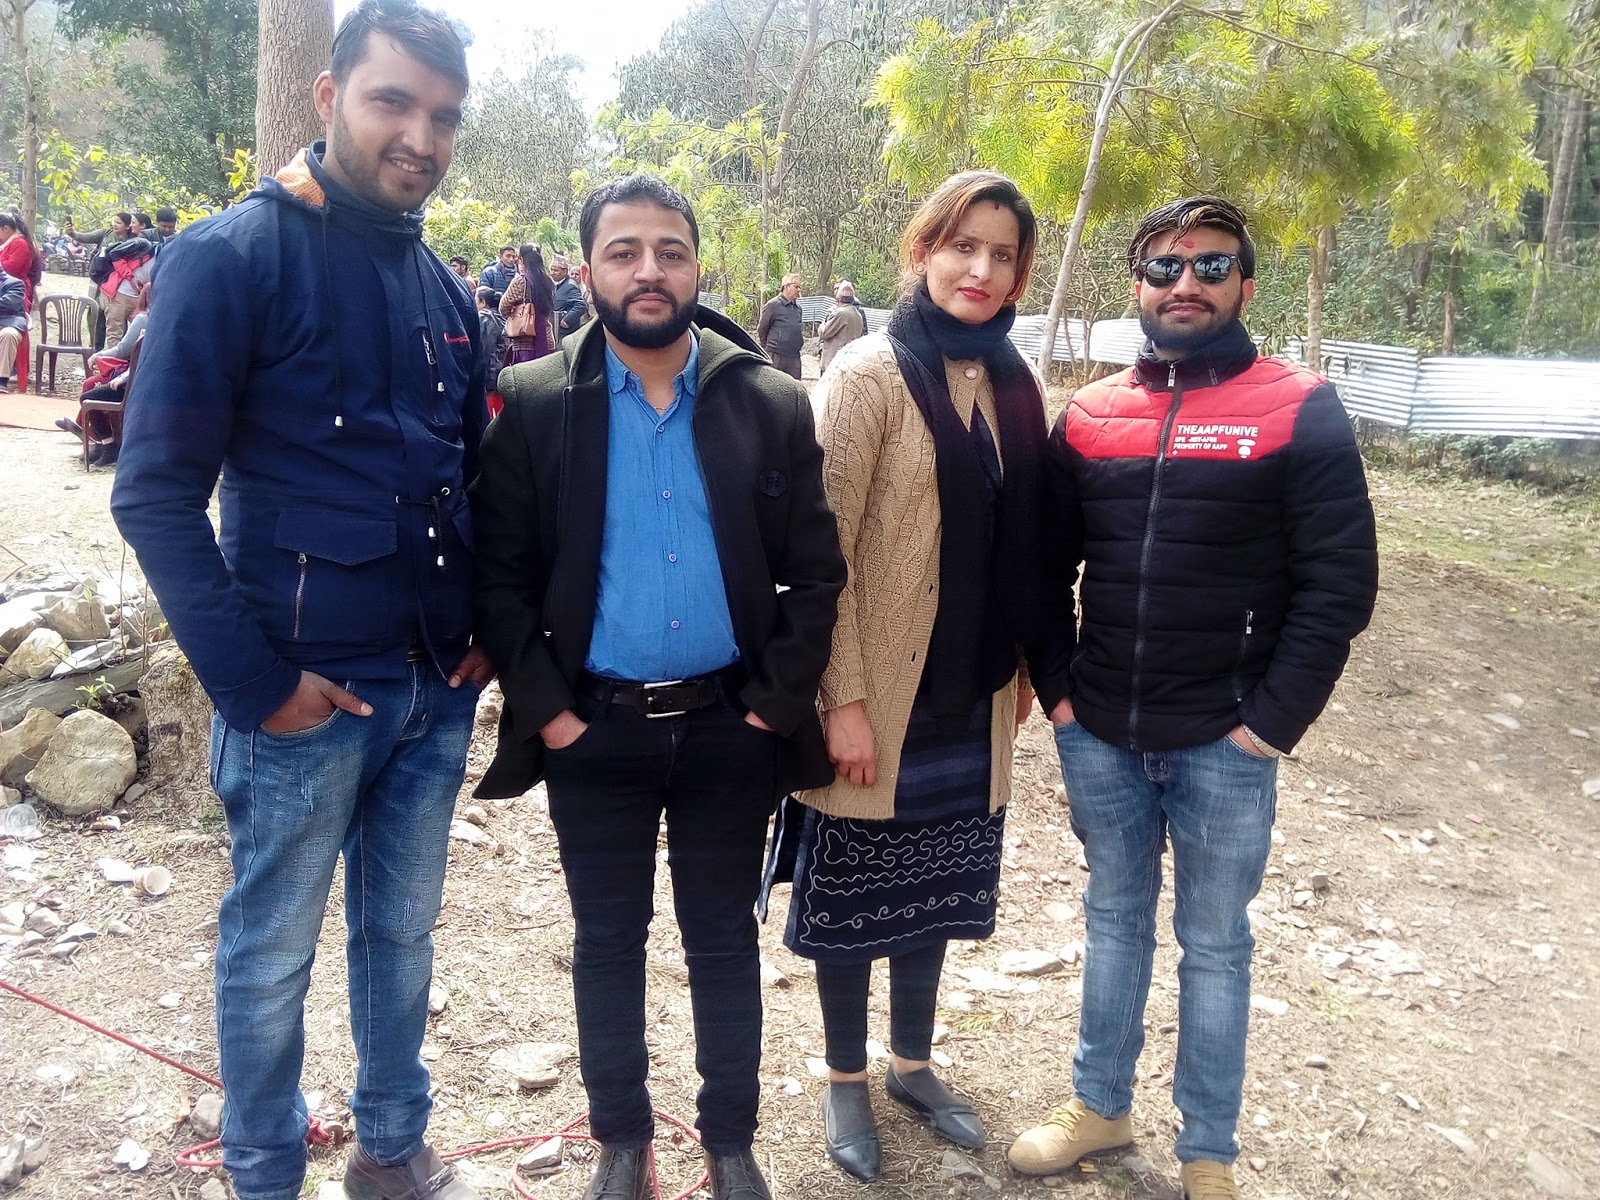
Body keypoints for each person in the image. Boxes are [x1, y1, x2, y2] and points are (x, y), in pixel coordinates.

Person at [109, 5, 490, 1200]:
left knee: (403, 939)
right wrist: (257, 686)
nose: (419, 135)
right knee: (271, 951)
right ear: (328, 98)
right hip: (303, 698)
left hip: (432, 694)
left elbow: (470, 479)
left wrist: (482, 633)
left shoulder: (448, 294)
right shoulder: (231, 258)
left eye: (442, 116)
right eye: (393, 101)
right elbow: (153, 494)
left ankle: (392, 1147)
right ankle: (265, 1171)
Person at [470, 173, 846, 1200]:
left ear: (697, 267)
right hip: (594, 730)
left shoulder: (767, 401)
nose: (649, 270)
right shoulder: (536, 404)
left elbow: (817, 575)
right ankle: (621, 1140)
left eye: (670, 251)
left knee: (722, 940)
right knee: (607, 942)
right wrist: (550, 714)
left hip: (732, 727)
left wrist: (770, 705)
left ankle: (730, 1141)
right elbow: (498, 579)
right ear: (587, 269)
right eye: (624, 251)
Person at [1007, 196, 1379, 1200]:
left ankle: (1207, 1153)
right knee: (1114, 920)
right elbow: (1042, 568)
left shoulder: (1298, 407)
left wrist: (1269, 724)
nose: (1185, 283)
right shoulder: (1089, 415)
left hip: (1226, 741)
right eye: (1164, 267)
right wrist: (1060, 695)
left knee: (1214, 947)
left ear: (1244, 286)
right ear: (1137, 286)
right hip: (1102, 732)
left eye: (1211, 266)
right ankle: (1099, 1106)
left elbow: (1338, 584)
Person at [775, 170, 1071, 1182]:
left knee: (933, 891)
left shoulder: (1016, 385)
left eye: (1002, 254)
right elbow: (819, 555)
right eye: (962, 246)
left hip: (970, 693)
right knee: (855, 901)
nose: (980, 270)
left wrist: (1022, 666)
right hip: (878, 696)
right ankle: (845, 1079)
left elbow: (1027, 545)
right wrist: (843, 700)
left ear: (1019, 272)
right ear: (923, 251)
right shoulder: (867, 375)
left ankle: (911, 1064)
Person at [497, 242, 555, 365]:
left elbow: (503, 307)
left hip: (525, 339)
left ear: (522, 260)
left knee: (525, 375)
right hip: (546, 337)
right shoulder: (549, 281)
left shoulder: (520, 280)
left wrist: (515, 314)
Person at [756, 272, 804, 379]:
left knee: (794, 386)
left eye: (800, 287)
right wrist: (769, 348)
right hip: (775, 356)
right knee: (773, 385)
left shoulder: (798, 309)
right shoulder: (772, 305)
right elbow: (762, 329)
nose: (799, 290)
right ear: (786, 286)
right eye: (796, 286)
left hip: (794, 357)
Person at [816, 278, 865, 373]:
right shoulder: (858, 315)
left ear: (838, 300)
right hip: (848, 362)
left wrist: (822, 326)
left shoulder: (840, 313)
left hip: (834, 363)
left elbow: (824, 333)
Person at [0, 213, 42, 313]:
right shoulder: (10, 242)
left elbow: (10, 269)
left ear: (6, 228)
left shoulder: (20, 243)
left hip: (15, 290)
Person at [549, 252, 588, 344]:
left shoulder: (570, 285)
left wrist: (566, 320)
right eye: (551, 270)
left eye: (555, 270)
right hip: (556, 332)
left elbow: (581, 305)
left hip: (565, 334)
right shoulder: (555, 286)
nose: (552, 273)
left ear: (565, 271)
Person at [0, 266, 26, 394]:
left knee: (8, 334)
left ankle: (2, 380)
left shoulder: (15, 283)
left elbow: (9, 305)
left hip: (8, 323)